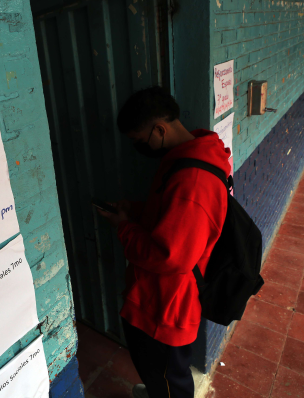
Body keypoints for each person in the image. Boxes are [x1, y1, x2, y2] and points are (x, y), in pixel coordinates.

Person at [97, 87, 231, 398]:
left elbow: (171, 257)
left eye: (139, 140)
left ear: (160, 129)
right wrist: (137, 210)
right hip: (158, 296)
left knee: (170, 380)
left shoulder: (192, 180)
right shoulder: (185, 157)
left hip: (169, 305)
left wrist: (125, 228)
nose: (137, 146)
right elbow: (172, 216)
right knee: (160, 376)